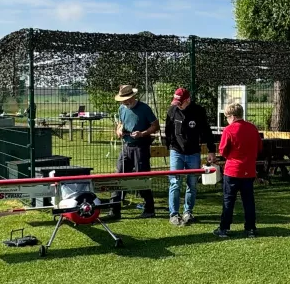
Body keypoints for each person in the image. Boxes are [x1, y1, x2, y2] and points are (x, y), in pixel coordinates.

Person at [164, 87, 216, 226]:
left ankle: (188, 212)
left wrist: (211, 150)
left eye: (180, 102)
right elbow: (168, 131)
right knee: (175, 183)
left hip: (193, 152)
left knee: (192, 183)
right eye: (176, 102)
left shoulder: (198, 111)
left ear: (188, 100)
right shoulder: (172, 111)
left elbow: (206, 131)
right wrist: (169, 146)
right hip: (176, 152)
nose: (178, 105)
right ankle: (174, 214)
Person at [214, 101, 262, 239]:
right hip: (249, 170)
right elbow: (259, 147)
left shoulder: (229, 130)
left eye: (227, 117)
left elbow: (223, 150)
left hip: (233, 170)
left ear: (232, 116)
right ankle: (251, 228)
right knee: (248, 200)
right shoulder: (252, 128)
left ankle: (224, 228)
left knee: (228, 200)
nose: (227, 120)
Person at [112, 84, 159, 219]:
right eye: (122, 100)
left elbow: (155, 125)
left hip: (141, 147)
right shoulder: (122, 108)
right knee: (119, 176)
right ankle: (114, 208)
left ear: (132, 98)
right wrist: (119, 130)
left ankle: (149, 209)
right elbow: (120, 123)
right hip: (126, 146)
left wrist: (143, 133)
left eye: (126, 100)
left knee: (142, 177)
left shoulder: (144, 108)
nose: (124, 103)